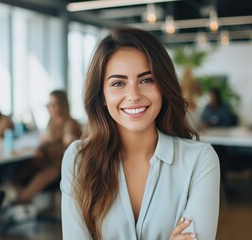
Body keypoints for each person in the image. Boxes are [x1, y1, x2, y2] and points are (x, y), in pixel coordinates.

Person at [61, 27, 220, 240]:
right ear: (103, 96)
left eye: (147, 80)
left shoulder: (200, 160)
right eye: (118, 83)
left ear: (163, 87)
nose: (133, 95)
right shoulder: (78, 158)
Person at [11, 90, 82, 204]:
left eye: (54, 104)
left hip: (58, 166)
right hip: (45, 161)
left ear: (62, 105)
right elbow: (44, 140)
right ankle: (23, 201)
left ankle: (22, 200)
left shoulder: (70, 123)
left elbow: (69, 141)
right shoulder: (51, 122)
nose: (50, 108)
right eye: (49, 105)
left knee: (45, 174)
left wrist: (64, 139)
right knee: (16, 171)